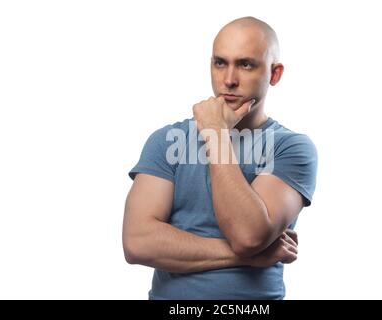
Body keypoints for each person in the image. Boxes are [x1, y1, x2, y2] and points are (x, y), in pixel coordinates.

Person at [122, 16, 318, 300]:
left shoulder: (291, 148)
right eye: (220, 63)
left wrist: (215, 133)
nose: (229, 80)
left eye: (245, 64)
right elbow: (137, 243)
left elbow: (247, 236)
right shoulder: (166, 141)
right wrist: (248, 257)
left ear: (274, 74)